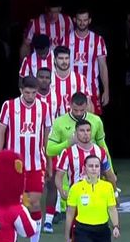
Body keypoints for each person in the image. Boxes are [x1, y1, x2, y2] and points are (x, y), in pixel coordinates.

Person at [0, 75, 51, 242]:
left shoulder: (44, 107)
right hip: (13, 166)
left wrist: (49, 162)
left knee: (34, 204)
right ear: (21, 90)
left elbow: (46, 137)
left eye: (33, 92)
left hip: (36, 165)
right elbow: (1, 133)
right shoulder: (8, 106)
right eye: (27, 92)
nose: (30, 96)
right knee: (12, 205)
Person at [55, 119, 117, 242]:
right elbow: (59, 176)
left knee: (96, 228)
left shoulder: (100, 152)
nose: (85, 134)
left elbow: (109, 173)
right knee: (76, 231)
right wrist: (61, 191)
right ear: (75, 133)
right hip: (77, 197)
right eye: (82, 131)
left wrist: (113, 189)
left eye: (88, 131)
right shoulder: (68, 153)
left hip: (96, 197)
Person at [47, 92, 110, 228]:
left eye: (82, 110)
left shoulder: (96, 121)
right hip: (69, 178)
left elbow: (102, 145)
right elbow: (49, 150)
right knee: (72, 222)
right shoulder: (59, 122)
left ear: (87, 106)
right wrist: (68, 143)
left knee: (93, 216)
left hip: (92, 175)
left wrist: (109, 166)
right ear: (70, 105)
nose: (79, 113)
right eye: (75, 110)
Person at [67, 7, 109, 114]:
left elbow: (103, 66)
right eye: (80, 20)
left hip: (92, 89)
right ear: (75, 20)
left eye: (85, 20)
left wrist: (106, 90)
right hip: (71, 89)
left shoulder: (97, 40)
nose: (82, 23)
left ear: (89, 20)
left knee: (92, 125)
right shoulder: (66, 40)